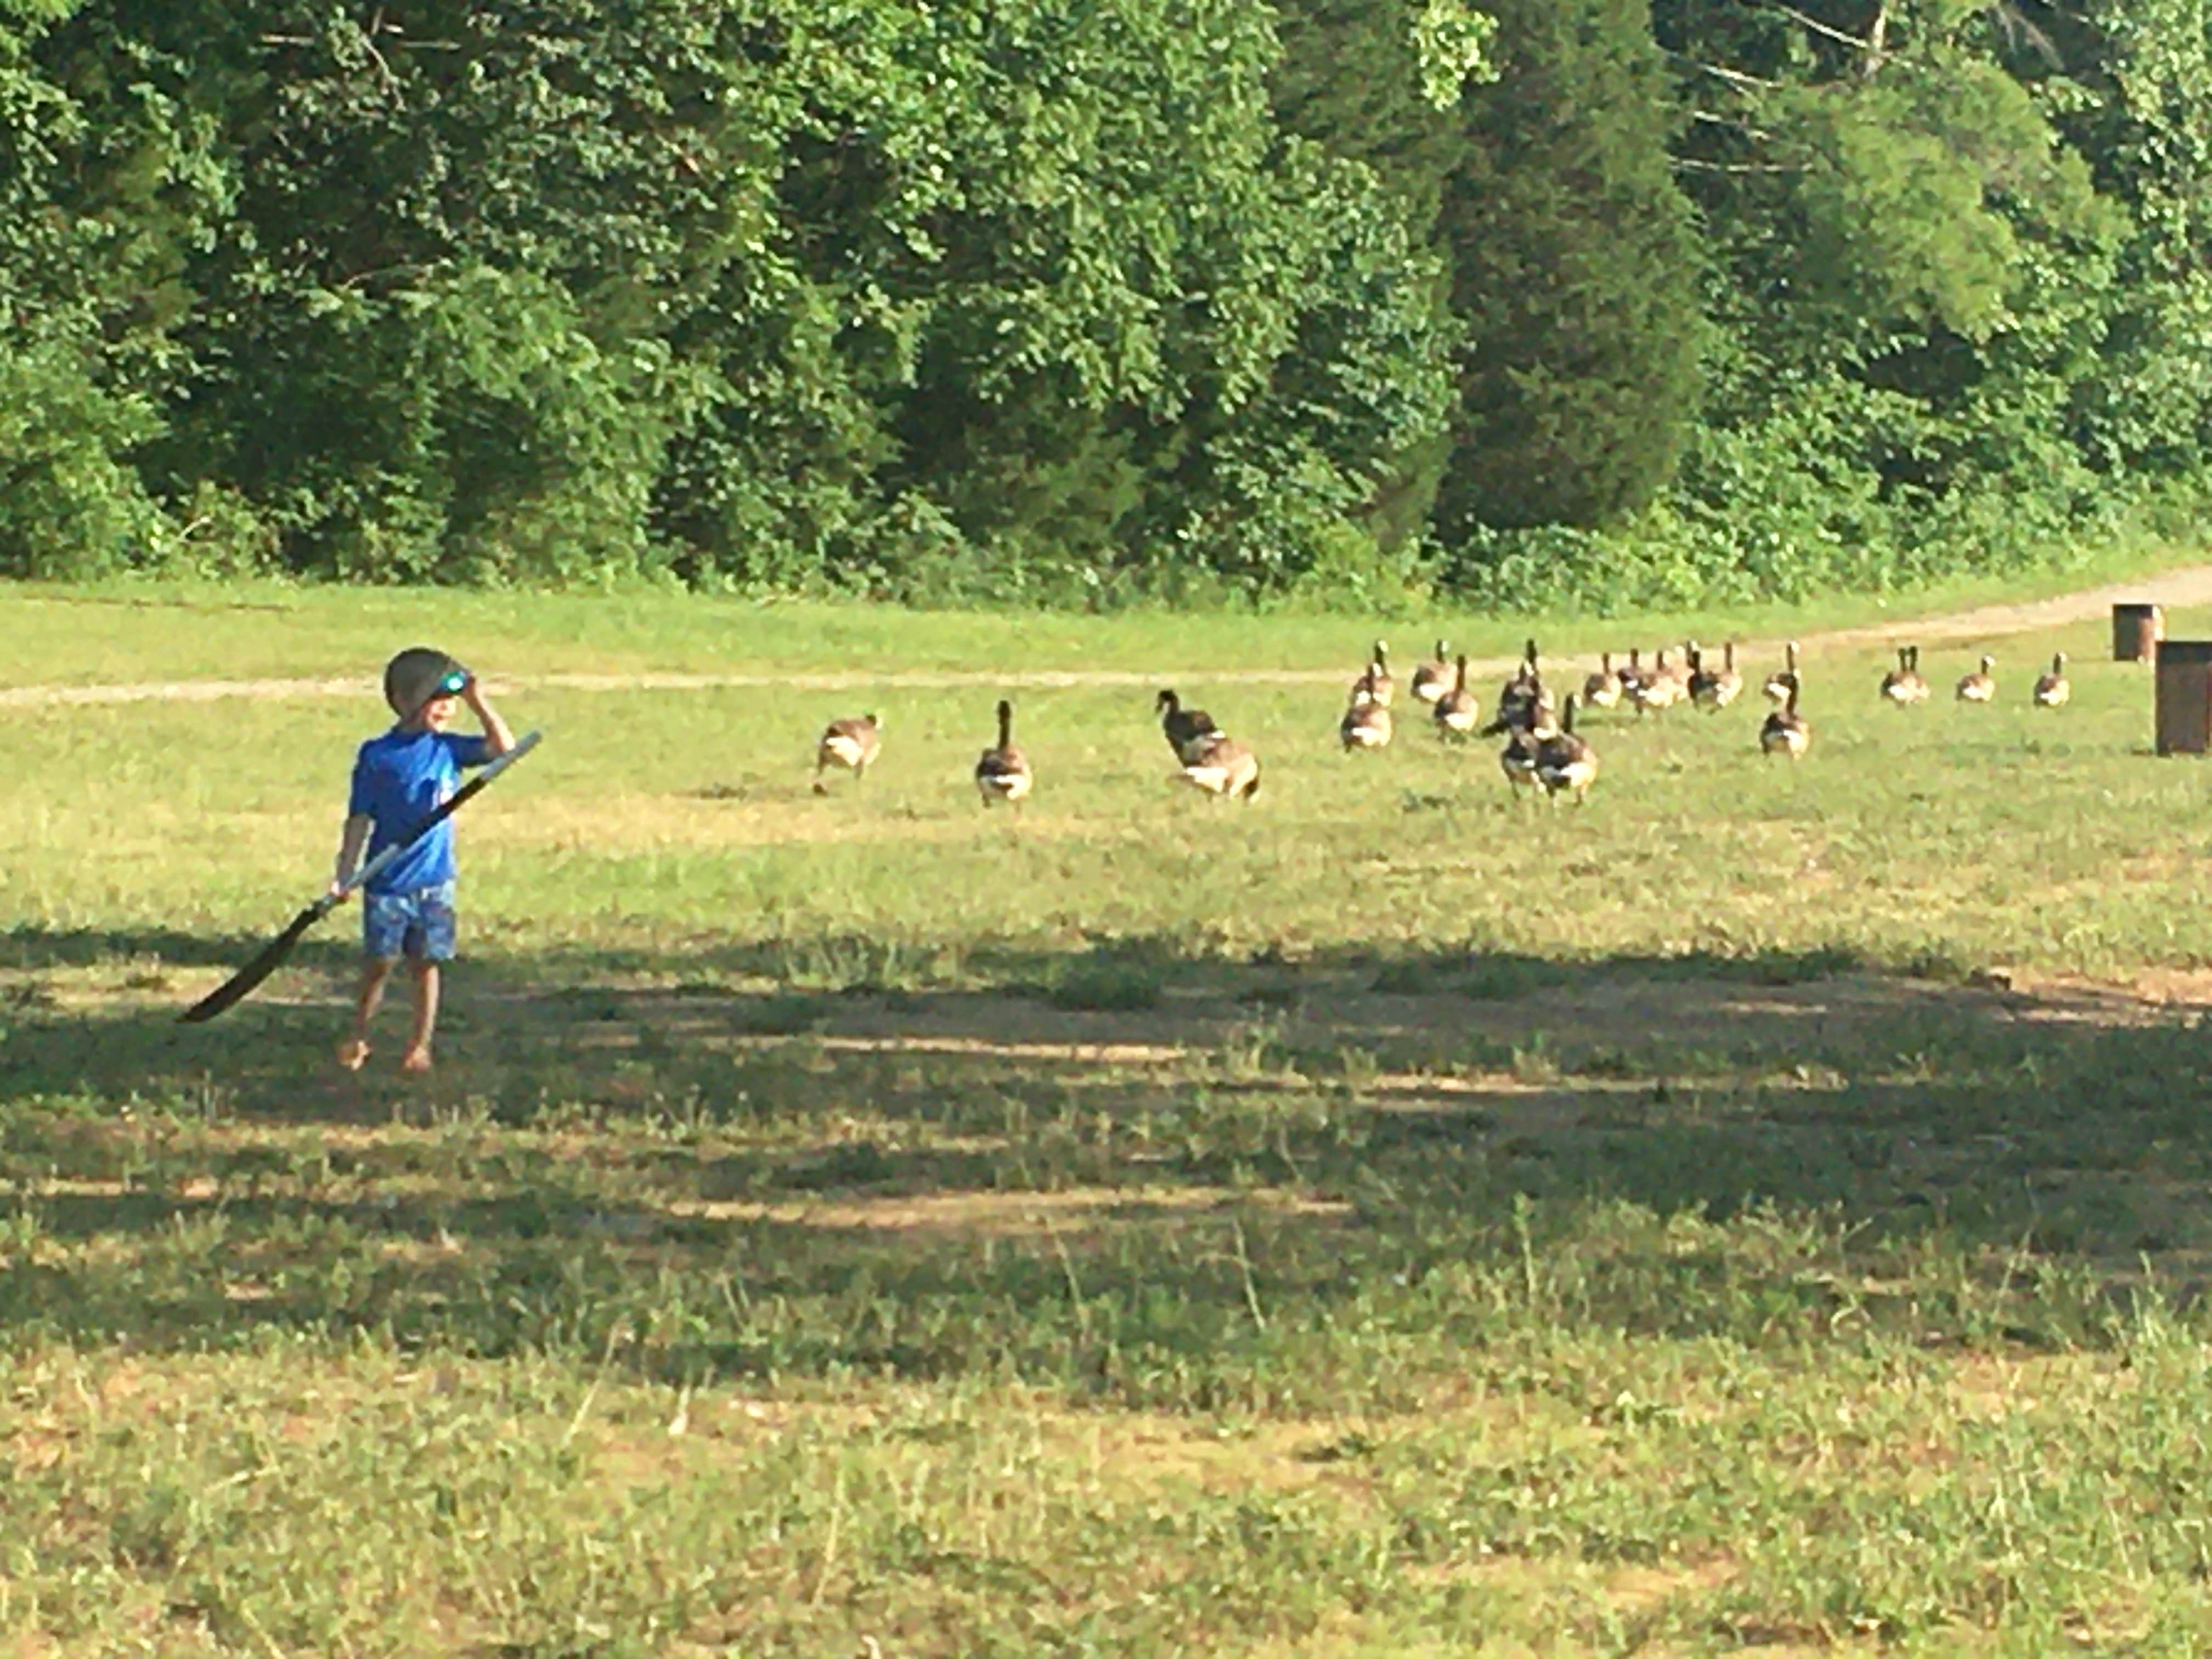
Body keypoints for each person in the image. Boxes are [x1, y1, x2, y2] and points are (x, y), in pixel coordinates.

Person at [331, 648, 516, 1073]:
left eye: (452, 702)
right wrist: (345, 874)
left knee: (426, 963)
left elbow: (503, 748)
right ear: (406, 700)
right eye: (438, 699)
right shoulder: (378, 755)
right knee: (379, 964)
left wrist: (476, 699)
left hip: (435, 880)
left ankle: (420, 1045)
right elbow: (359, 819)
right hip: (387, 882)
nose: (447, 709)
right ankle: (359, 1035)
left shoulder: (448, 750)